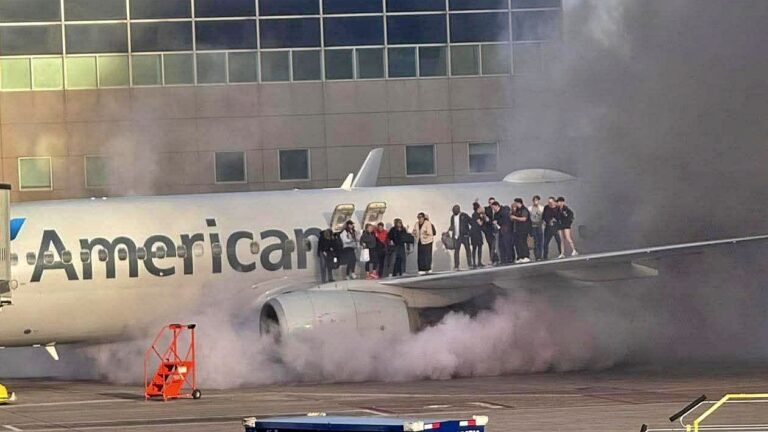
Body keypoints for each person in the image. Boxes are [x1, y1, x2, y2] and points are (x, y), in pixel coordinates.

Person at [448, 204, 472, 270]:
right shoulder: (452, 217)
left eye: (455, 210)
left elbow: (471, 222)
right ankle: (456, 266)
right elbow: (452, 225)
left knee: (468, 249)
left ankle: (470, 264)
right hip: (456, 236)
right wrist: (450, 229)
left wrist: (469, 232)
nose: (453, 212)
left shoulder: (464, 215)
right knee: (456, 251)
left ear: (458, 210)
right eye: (453, 210)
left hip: (464, 236)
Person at [510, 198, 532, 263]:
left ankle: (526, 256)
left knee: (523, 243)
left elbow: (524, 218)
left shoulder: (524, 209)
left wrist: (515, 217)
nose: (515, 204)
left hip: (523, 229)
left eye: (516, 203)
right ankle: (520, 256)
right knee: (518, 244)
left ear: (519, 203)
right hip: (517, 230)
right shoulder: (517, 210)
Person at [484, 197, 500, 265]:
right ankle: (492, 260)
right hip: (490, 230)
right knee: (491, 245)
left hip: (497, 229)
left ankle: (498, 259)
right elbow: (486, 220)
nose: (491, 204)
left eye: (493, 202)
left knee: (497, 245)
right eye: (490, 203)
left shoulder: (497, 210)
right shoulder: (487, 210)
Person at [470, 202, 485, 268]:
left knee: (475, 248)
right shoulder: (476, 214)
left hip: (474, 232)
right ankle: (477, 262)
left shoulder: (474, 214)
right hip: (476, 233)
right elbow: (480, 223)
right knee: (478, 247)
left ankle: (475, 262)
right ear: (478, 208)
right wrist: (483, 218)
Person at [529, 195, 544, 261]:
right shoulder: (529, 208)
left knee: (540, 241)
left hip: (540, 226)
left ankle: (540, 255)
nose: (536, 201)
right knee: (535, 241)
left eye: (537, 200)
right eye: (534, 200)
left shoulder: (541, 208)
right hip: (533, 226)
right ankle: (536, 255)